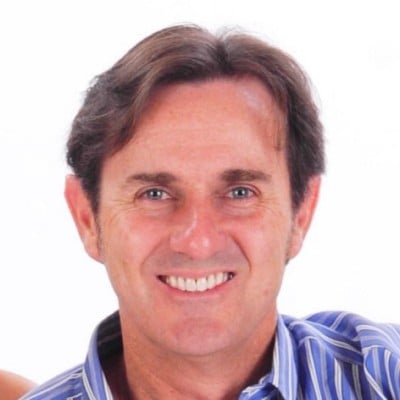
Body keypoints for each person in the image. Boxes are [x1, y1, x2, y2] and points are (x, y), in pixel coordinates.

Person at [22, 24, 400, 400]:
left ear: (302, 212)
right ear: (87, 218)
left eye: (240, 193)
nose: (198, 242)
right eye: (154, 194)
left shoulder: (384, 374)